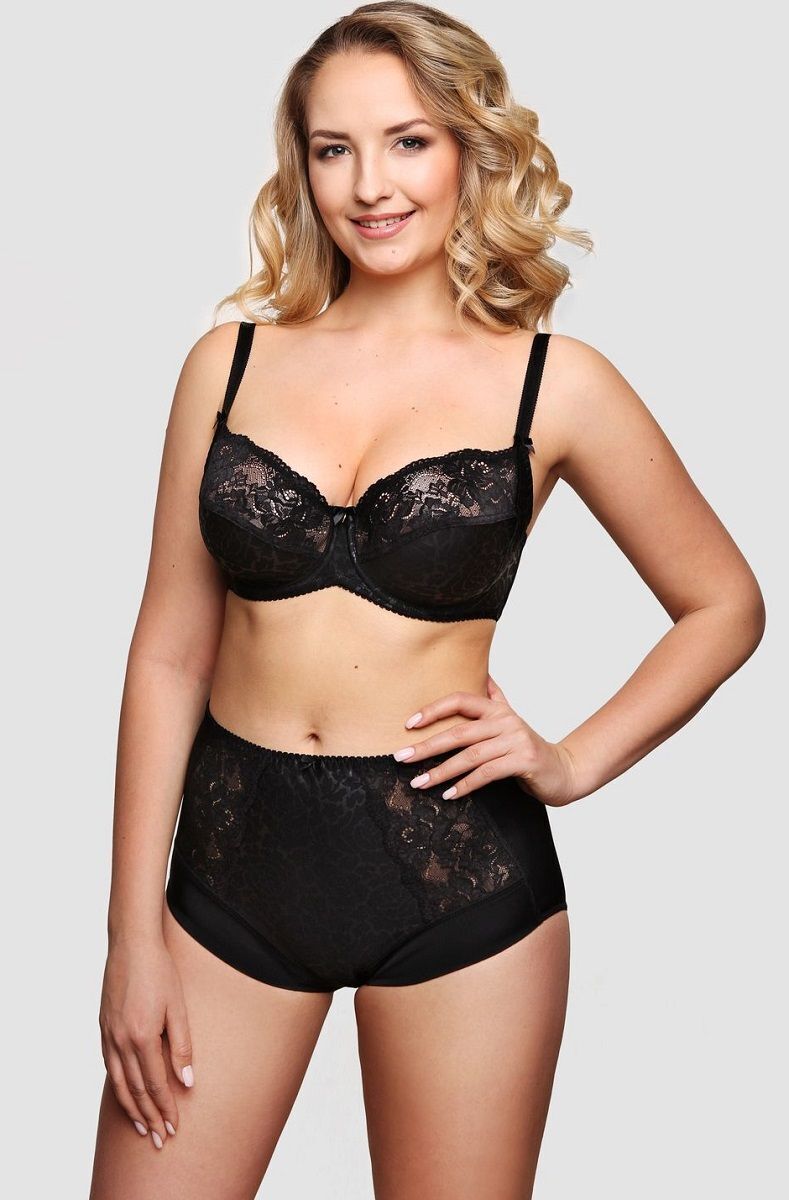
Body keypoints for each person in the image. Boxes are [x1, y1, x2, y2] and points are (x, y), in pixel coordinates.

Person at [88, 3, 766, 1197]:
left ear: (468, 147)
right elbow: (168, 658)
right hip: (232, 865)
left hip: (460, 881)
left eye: (408, 141)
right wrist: (129, 935)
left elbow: (725, 603)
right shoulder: (227, 364)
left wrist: (571, 760)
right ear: (302, 165)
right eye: (333, 148)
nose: (370, 185)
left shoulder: (555, 384)